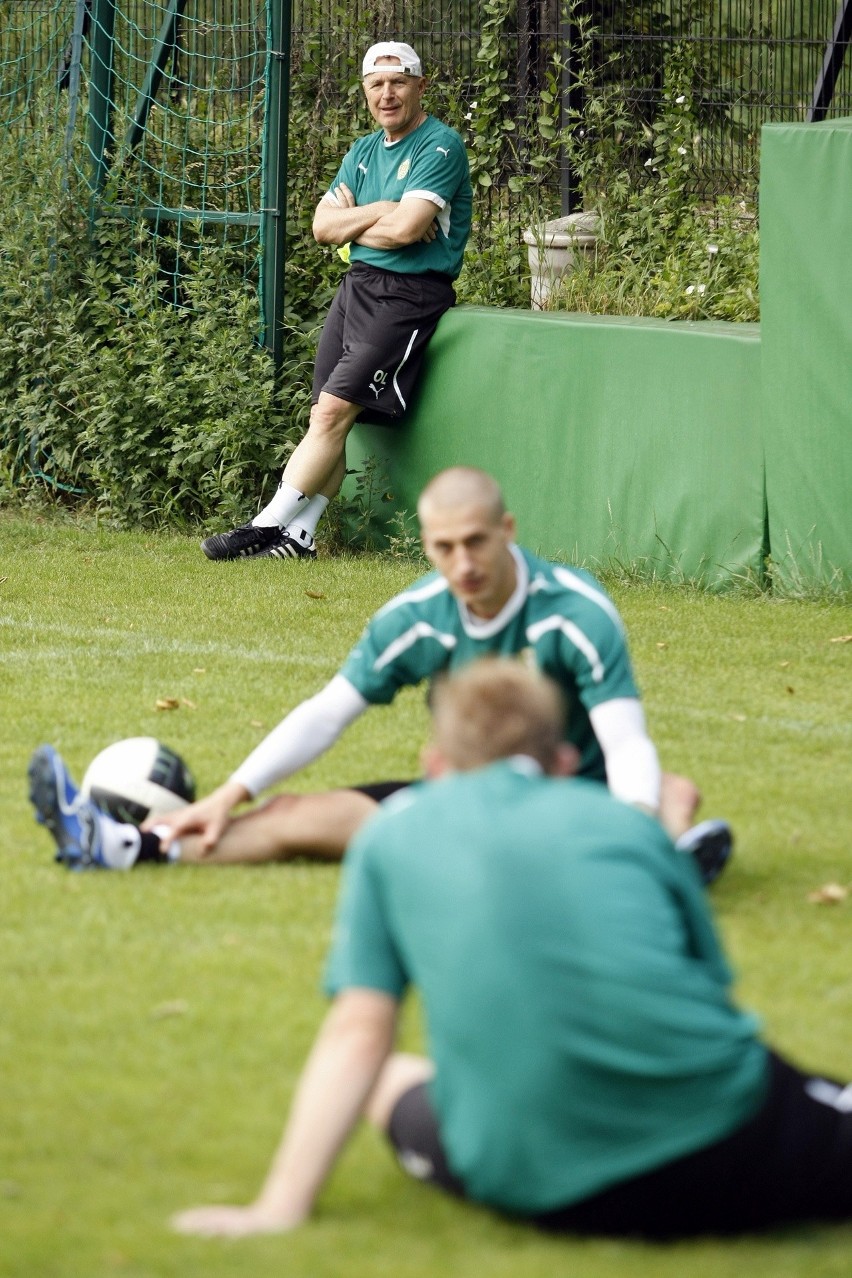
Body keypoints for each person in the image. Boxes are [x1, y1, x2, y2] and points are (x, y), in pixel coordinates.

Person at [171, 659, 852, 1240]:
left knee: (388, 1080)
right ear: (562, 763)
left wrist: (278, 1207)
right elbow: (709, 990)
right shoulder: (626, 825)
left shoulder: (390, 837)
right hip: (728, 1141)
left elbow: (359, 1030)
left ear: (433, 766)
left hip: (540, 1187)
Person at [27, 467, 731, 882]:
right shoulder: (419, 616)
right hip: (463, 805)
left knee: (666, 791)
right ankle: (126, 846)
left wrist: (634, 817)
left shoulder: (574, 612)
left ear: (508, 530)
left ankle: (639, 857)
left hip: (573, 802)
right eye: (444, 547)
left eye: (477, 542)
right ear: (427, 545)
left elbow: (626, 738)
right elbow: (329, 711)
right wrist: (231, 792)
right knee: (288, 815)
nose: (464, 564)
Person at [201, 41, 472, 563]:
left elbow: (408, 230)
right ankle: (300, 538)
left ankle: (264, 524)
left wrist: (366, 222)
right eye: (376, 84)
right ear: (366, 92)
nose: (386, 94)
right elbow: (323, 227)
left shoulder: (440, 147)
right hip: (358, 287)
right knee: (322, 417)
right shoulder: (363, 151)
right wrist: (382, 209)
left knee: (330, 414)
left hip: (409, 296)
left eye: (398, 82)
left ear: (420, 86)